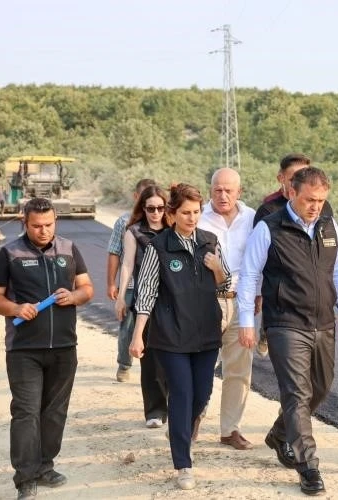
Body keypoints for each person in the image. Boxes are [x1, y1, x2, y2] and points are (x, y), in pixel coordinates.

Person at [237, 167, 338, 496]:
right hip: (285, 322)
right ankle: (308, 466)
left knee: (321, 387)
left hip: (323, 321)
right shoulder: (269, 228)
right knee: (297, 394)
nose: (315, 206)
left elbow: (337, 272)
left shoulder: (329, 226)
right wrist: (246, 321)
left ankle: (279, 433)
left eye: (321, 200)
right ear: (292, 193)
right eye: (309, 200)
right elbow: (249, 275)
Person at [0, 197, 94, 500]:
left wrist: (74, 297)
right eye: (36, 226)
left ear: (55, 221)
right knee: (26, 413)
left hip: (64, 347)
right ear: (25, 223)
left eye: (48, 225)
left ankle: (45, 466)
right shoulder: (9, 254)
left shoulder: (69, 249)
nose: (43, 231)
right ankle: (25, 477)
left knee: (55, 412)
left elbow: (87, 288)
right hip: (24, 350)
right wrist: (16, 309)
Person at [129, 183, 230, 491]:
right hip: (171, 335)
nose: (192, 218)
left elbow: (225, 286)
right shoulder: (158, 247)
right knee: (182, 395)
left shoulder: (210, 241)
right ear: (172, 214)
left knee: (202, 395)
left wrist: (217, 269)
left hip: (206, 332)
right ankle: (183, 464)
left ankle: (179, 429)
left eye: (196, 212)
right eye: (186, 213)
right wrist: (137, 336)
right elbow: (146, 293)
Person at [252, 153, 338, 358]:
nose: (315, 205)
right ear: (282, 179)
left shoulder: (323, 208)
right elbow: (258, 259)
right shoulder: (268, 209)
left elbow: (333, 248)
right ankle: (267, 331)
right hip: (282, 301)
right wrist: (258, 293)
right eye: (294, 177)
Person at [197, 167, 256, 450]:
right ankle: (192, 420)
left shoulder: (253, 218)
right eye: (217, 190)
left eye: (228, 190)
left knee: (239, 370)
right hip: (206, 302)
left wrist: (259, 296)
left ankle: (230, 429)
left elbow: (259, 259)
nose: (222, 195)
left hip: (241, 303)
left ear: (239, 192)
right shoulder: (198, 217)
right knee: (201, 365)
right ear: (210, 190)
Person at [115, 185, 170, 429]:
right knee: (151, 359)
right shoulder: (134, 232)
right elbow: (127, 264)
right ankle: (155, 411)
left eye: (160, 208)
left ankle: (175, 405)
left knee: (174, 356)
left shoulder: (173, 230)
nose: (156, 213)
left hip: (173, 301)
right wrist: (121, 296)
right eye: (151, 208)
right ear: (143, 208)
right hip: (145, 301)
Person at [107, 178, 156, 382]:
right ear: (137, 197)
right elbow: (115, 252)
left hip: (156, 287)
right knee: (127, 326)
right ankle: (124, 364)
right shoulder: (124, 222)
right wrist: (112, 283)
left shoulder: (162, 221)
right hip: (131, 286)